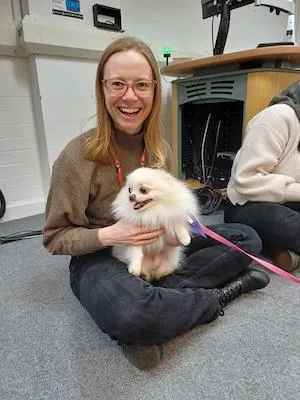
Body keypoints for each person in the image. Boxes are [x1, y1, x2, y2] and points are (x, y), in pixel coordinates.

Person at [43, 36, 269, 370]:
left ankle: (155, 309)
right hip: (101, 257)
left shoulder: (158, 148)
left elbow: (170, 209)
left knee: (247, 239)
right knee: (132, 312)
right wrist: (111, 235)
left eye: (141, 85)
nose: (130, 96)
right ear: (102, 89)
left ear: (153, 90)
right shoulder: (77, 156)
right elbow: (54, 237)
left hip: (158, 245)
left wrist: (180, 226)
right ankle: (217, 296)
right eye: (118, 84)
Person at [224, 80, 300, 273]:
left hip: (291, 200)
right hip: (249, 202)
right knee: (284, 223)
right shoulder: (277, 118)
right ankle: (275, 243)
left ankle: (276, 246)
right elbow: (247, 182)